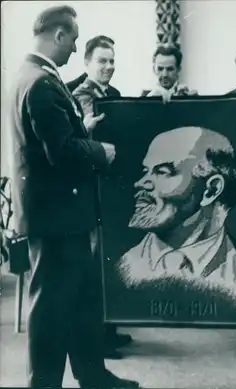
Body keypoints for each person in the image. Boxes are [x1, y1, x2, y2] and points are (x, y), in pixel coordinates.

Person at [4, 5, 139, 388]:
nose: (74, 47)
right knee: (50, 307)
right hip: (57, 216)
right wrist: (101, 151)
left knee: (82, 300)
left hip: (58, 213)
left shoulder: (30, 75)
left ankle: (92, 374)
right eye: (74, 39)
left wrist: (84, 129)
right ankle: (43, 383)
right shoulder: (43, 82)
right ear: (58, 35)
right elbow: (60, 152)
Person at [116, 127, 236, 308]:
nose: (140, 183)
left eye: (162, 172)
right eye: (146, 170)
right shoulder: (118, 270)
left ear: (212, 190)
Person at [72, 35, 133, 360]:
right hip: (88, 191)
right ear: (87, 63)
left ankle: (108, 329)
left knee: (109, 260)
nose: (108, 67)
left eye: (112, 61)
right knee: (94, 266)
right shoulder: (76, 94)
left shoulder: (112, 95)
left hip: (111, 190)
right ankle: (96, 340)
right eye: (102, 61)